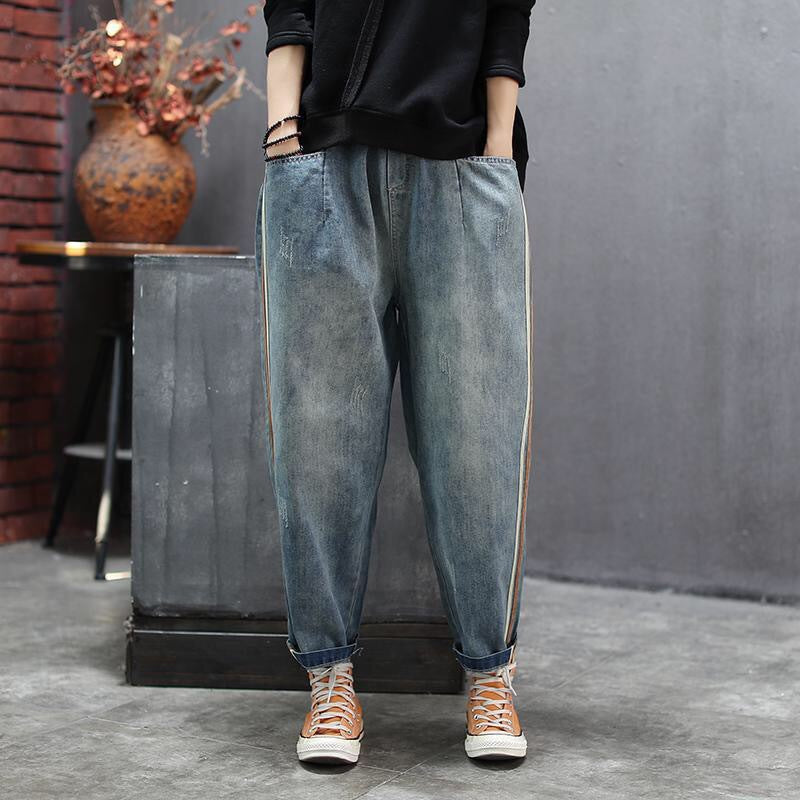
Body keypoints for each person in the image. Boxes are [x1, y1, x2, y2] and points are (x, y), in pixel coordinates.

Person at [255, 0, 535, 765]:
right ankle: (329, 679)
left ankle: (490, 673)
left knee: (477, 439)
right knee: (317, 444)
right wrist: (283, 133)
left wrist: (495, 147)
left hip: (462, 170)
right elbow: (291, 12)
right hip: (323, 169)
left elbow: (506, 22)